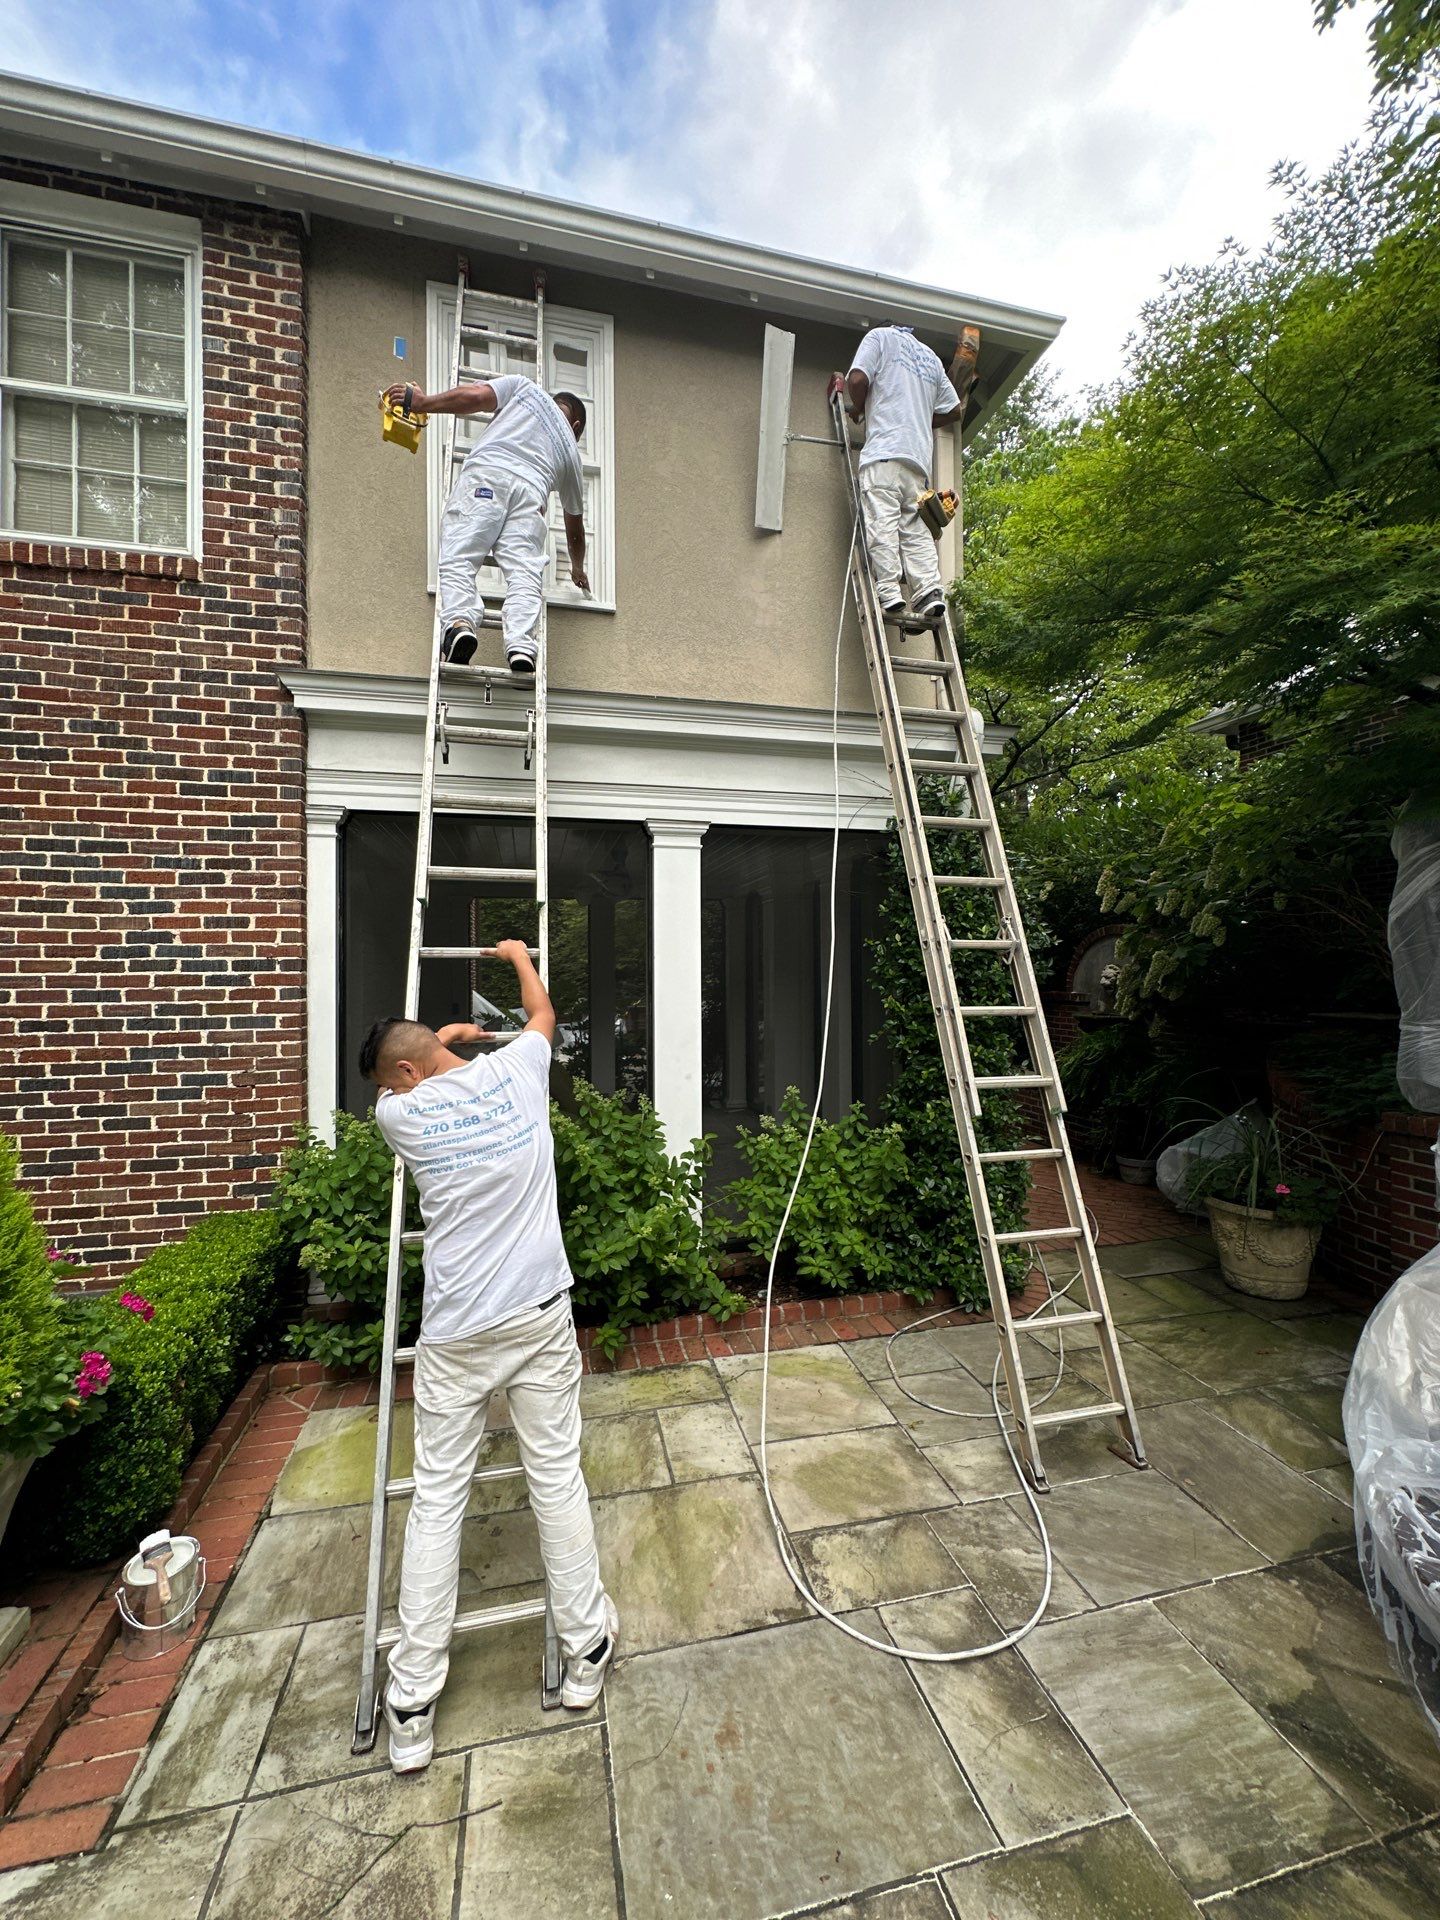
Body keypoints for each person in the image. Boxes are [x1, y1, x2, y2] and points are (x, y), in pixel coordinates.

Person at [360, 940, 617, 1775]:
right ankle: (584, 1657)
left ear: (398, 1078)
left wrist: (440, 1041)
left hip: (458, 1333)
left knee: (438, 1500)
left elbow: (419, 1071)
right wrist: (514, 959)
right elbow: (541, 1018)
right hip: (540, 1315)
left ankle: (411, 1704)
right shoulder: (518, 1074)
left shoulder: (398, 1118)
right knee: (557, 1476)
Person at [383, 374, 590, 675]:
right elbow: (575, 530)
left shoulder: (526, 389)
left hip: (488, 478)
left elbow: (476, 397)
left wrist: (423, 403)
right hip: (531, 498)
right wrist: (577, 568)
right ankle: (521, 645)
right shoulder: (571, 453)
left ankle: (459, 625)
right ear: (576, 427)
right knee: (524, 573)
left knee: (459, 555)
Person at [844, 324, 978, 629]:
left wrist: (860, 407)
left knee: (883, 524)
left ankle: (889, 592)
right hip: (917, 462)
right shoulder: (929, 357)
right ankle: (929, 591)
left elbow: (858, 378)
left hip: (884, 455)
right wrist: (918, 419)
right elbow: (954, 410)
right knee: (916, 531)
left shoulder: (879, 337)